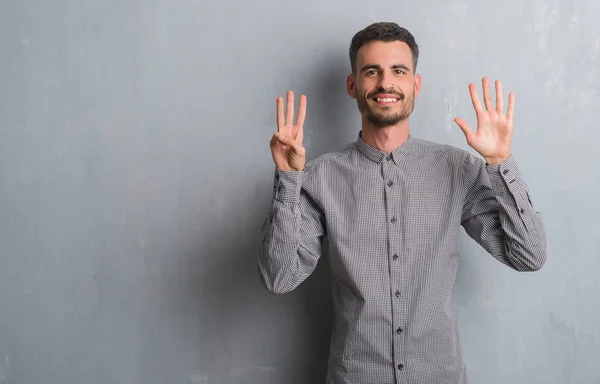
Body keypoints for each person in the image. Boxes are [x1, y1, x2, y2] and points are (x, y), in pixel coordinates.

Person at [257, 21, 546, 384]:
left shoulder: (457, 169)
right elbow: (279, 278)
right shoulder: (318, 177)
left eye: (398, 71)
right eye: (371, 71)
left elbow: (529, 256)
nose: (385, 83)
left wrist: (500, 163)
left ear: (415, 84)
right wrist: (288, 180)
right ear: (352, 85)